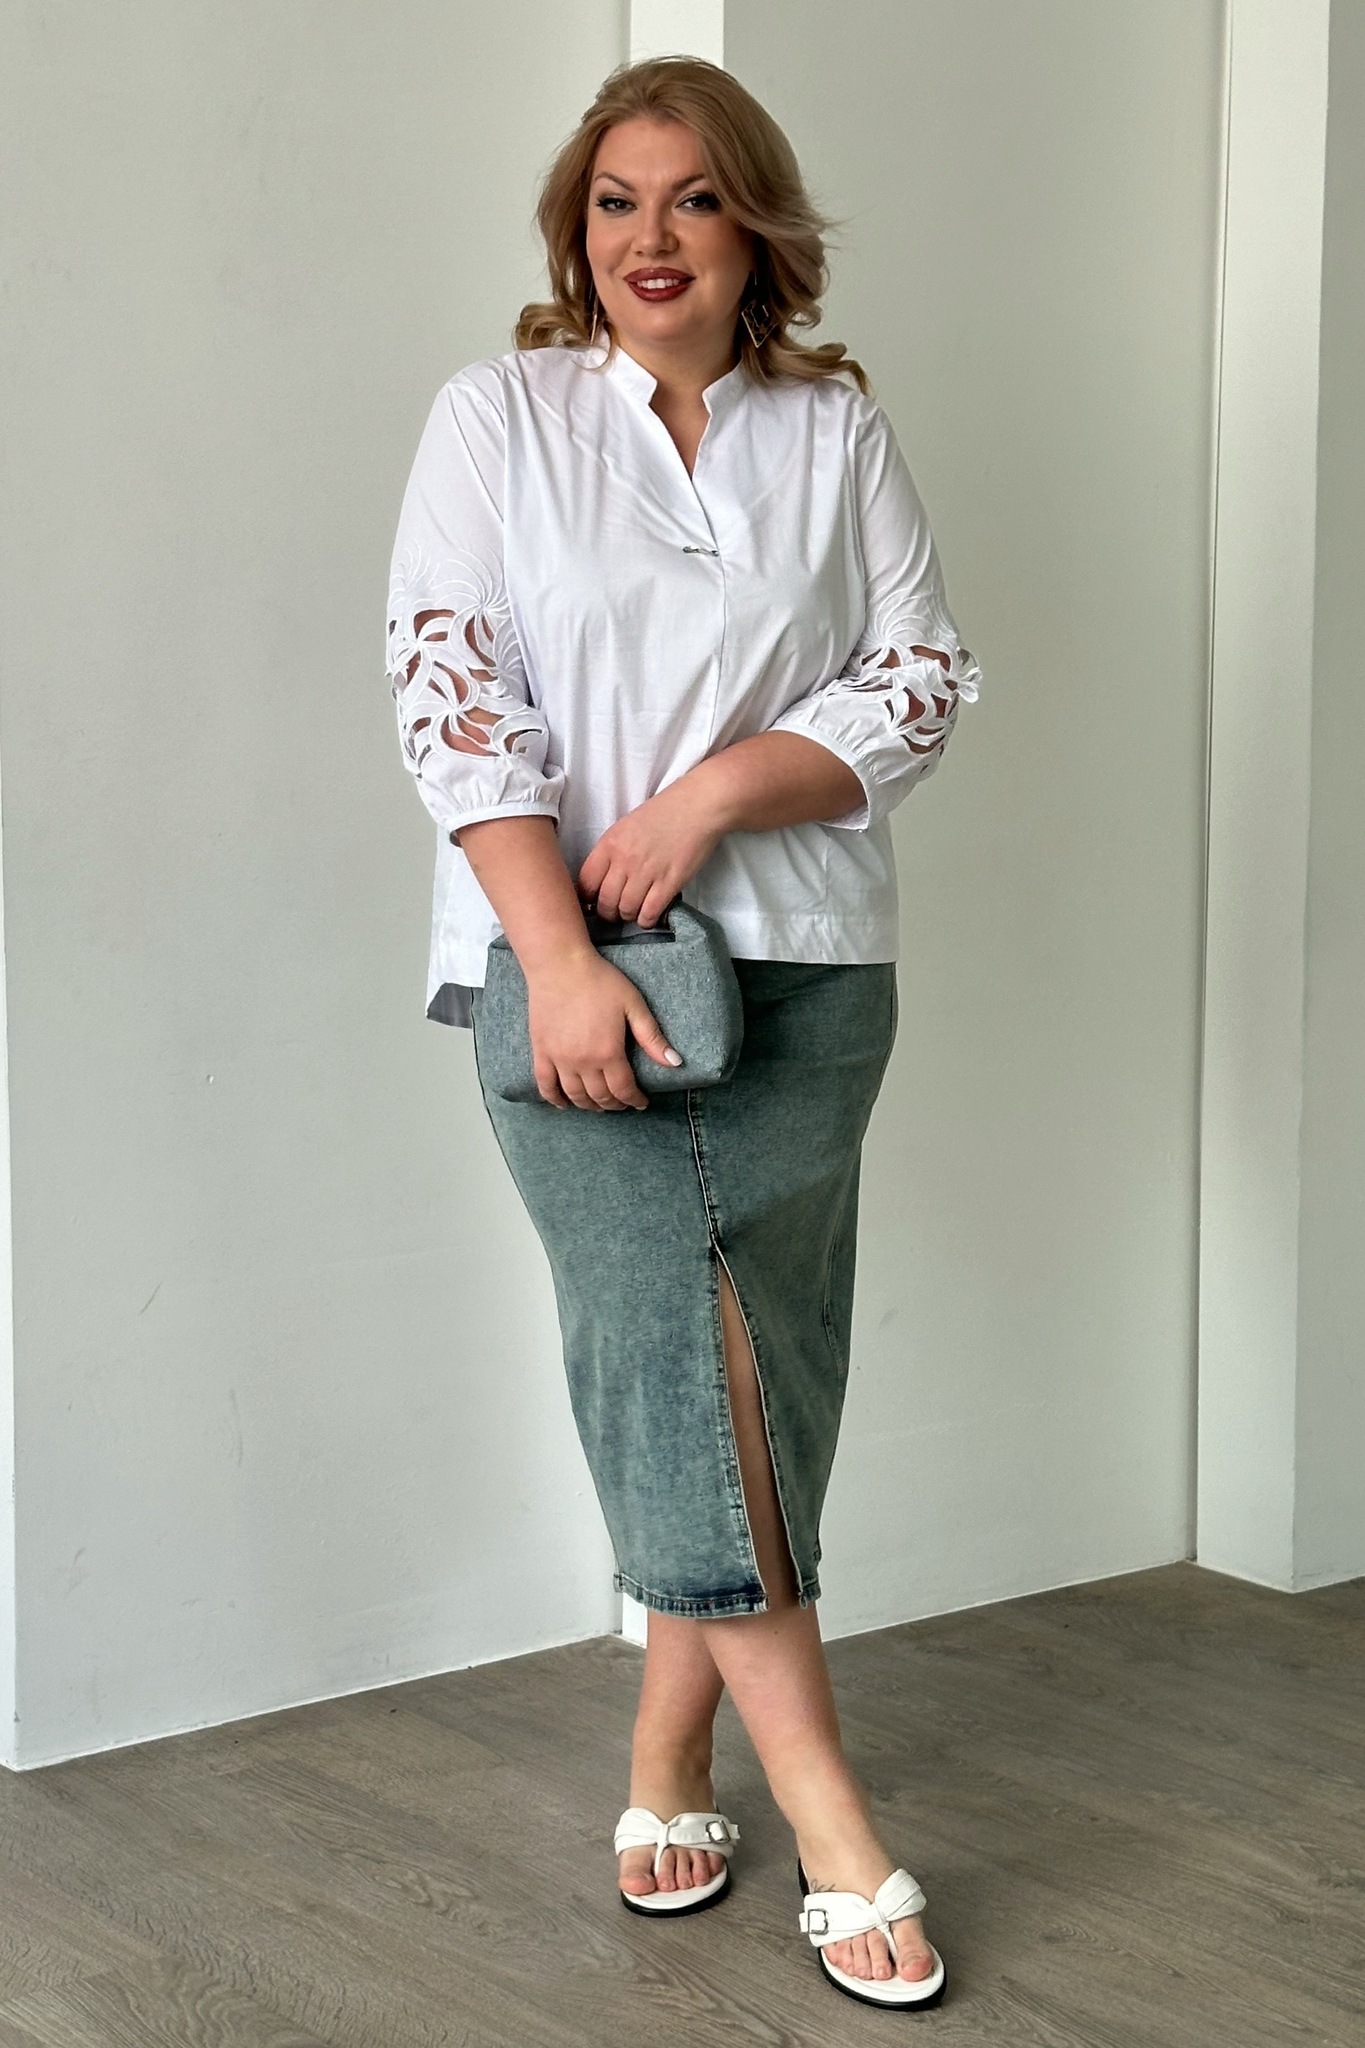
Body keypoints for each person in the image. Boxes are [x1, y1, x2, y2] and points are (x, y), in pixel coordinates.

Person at [384, 53, 979, 2013]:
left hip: (811, 971)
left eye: (695, 197)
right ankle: (831, 1820)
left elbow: (918, 674)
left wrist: (711, 795)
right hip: (574, 975)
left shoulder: (834, 430)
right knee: (681, 1363)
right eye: (615, 200)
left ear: (757, 229)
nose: (651, 237)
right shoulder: (498, 418)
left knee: (757, 1372)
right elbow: (453, 700)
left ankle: (664, 1749)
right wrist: (559, 953)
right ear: (576, 230)